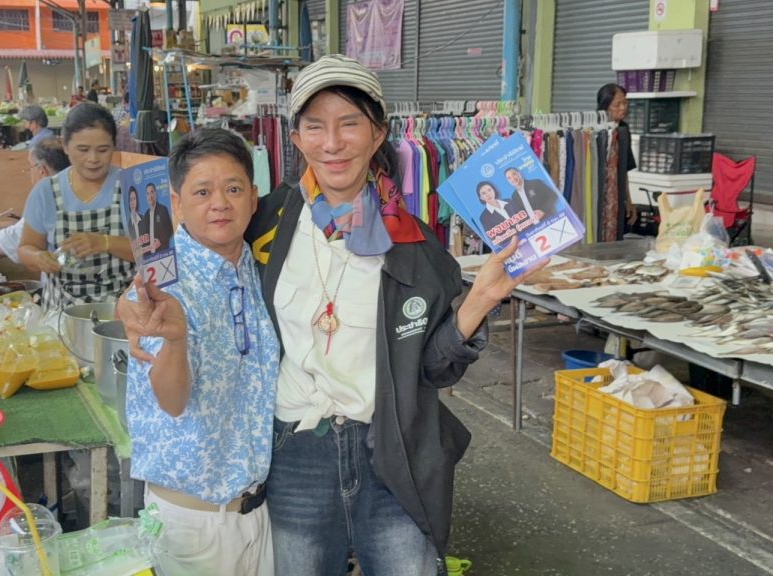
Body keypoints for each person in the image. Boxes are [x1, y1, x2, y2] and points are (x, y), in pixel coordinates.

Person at [117, 54, 539, 576]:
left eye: (349, 124)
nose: (333, 143)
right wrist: (130, 298)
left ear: (378, 133)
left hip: (389, 450)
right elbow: (191, 248)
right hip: (293, 457)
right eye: (315, 126)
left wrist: (477, 303)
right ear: (296, 139)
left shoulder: (413, 245)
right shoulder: (264, 221)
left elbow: (433, 368)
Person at [123, 128, 278, 576]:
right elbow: (171, 401)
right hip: (193, 525)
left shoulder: (256, 267)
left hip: (258, 514)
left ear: (254, 197)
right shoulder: (160, 285)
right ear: (177, 202)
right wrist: (176, 341)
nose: (220, 204)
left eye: (233, 189)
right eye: (203, 191)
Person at [17, 102, 135, 308]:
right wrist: (38, 257)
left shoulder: (132, 185)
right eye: (83, 149)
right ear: (65, 145)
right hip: (62, 311)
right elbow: (25, 248)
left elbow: (156, 254)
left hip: (122, 309)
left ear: (114, 145)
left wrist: (106, 242)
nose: (93, 159)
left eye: (103, 150)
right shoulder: (46, 191)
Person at [596, 83, 638, 240]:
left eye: (625, 103)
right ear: (605, 106)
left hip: (617, 194)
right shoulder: (595, 131)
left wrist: (629, 201)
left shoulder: (624, 130)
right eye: (617, 104)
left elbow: (624, 170)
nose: (623, 108)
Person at [142, 182, 173, 252]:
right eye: (148, 193)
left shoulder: (163, 209)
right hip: (150, 255)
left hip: (163, 253)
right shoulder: (146, 215)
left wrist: (160, 241)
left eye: (152, 192)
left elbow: (170, 230)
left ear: (155, 194)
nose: (150, 196)